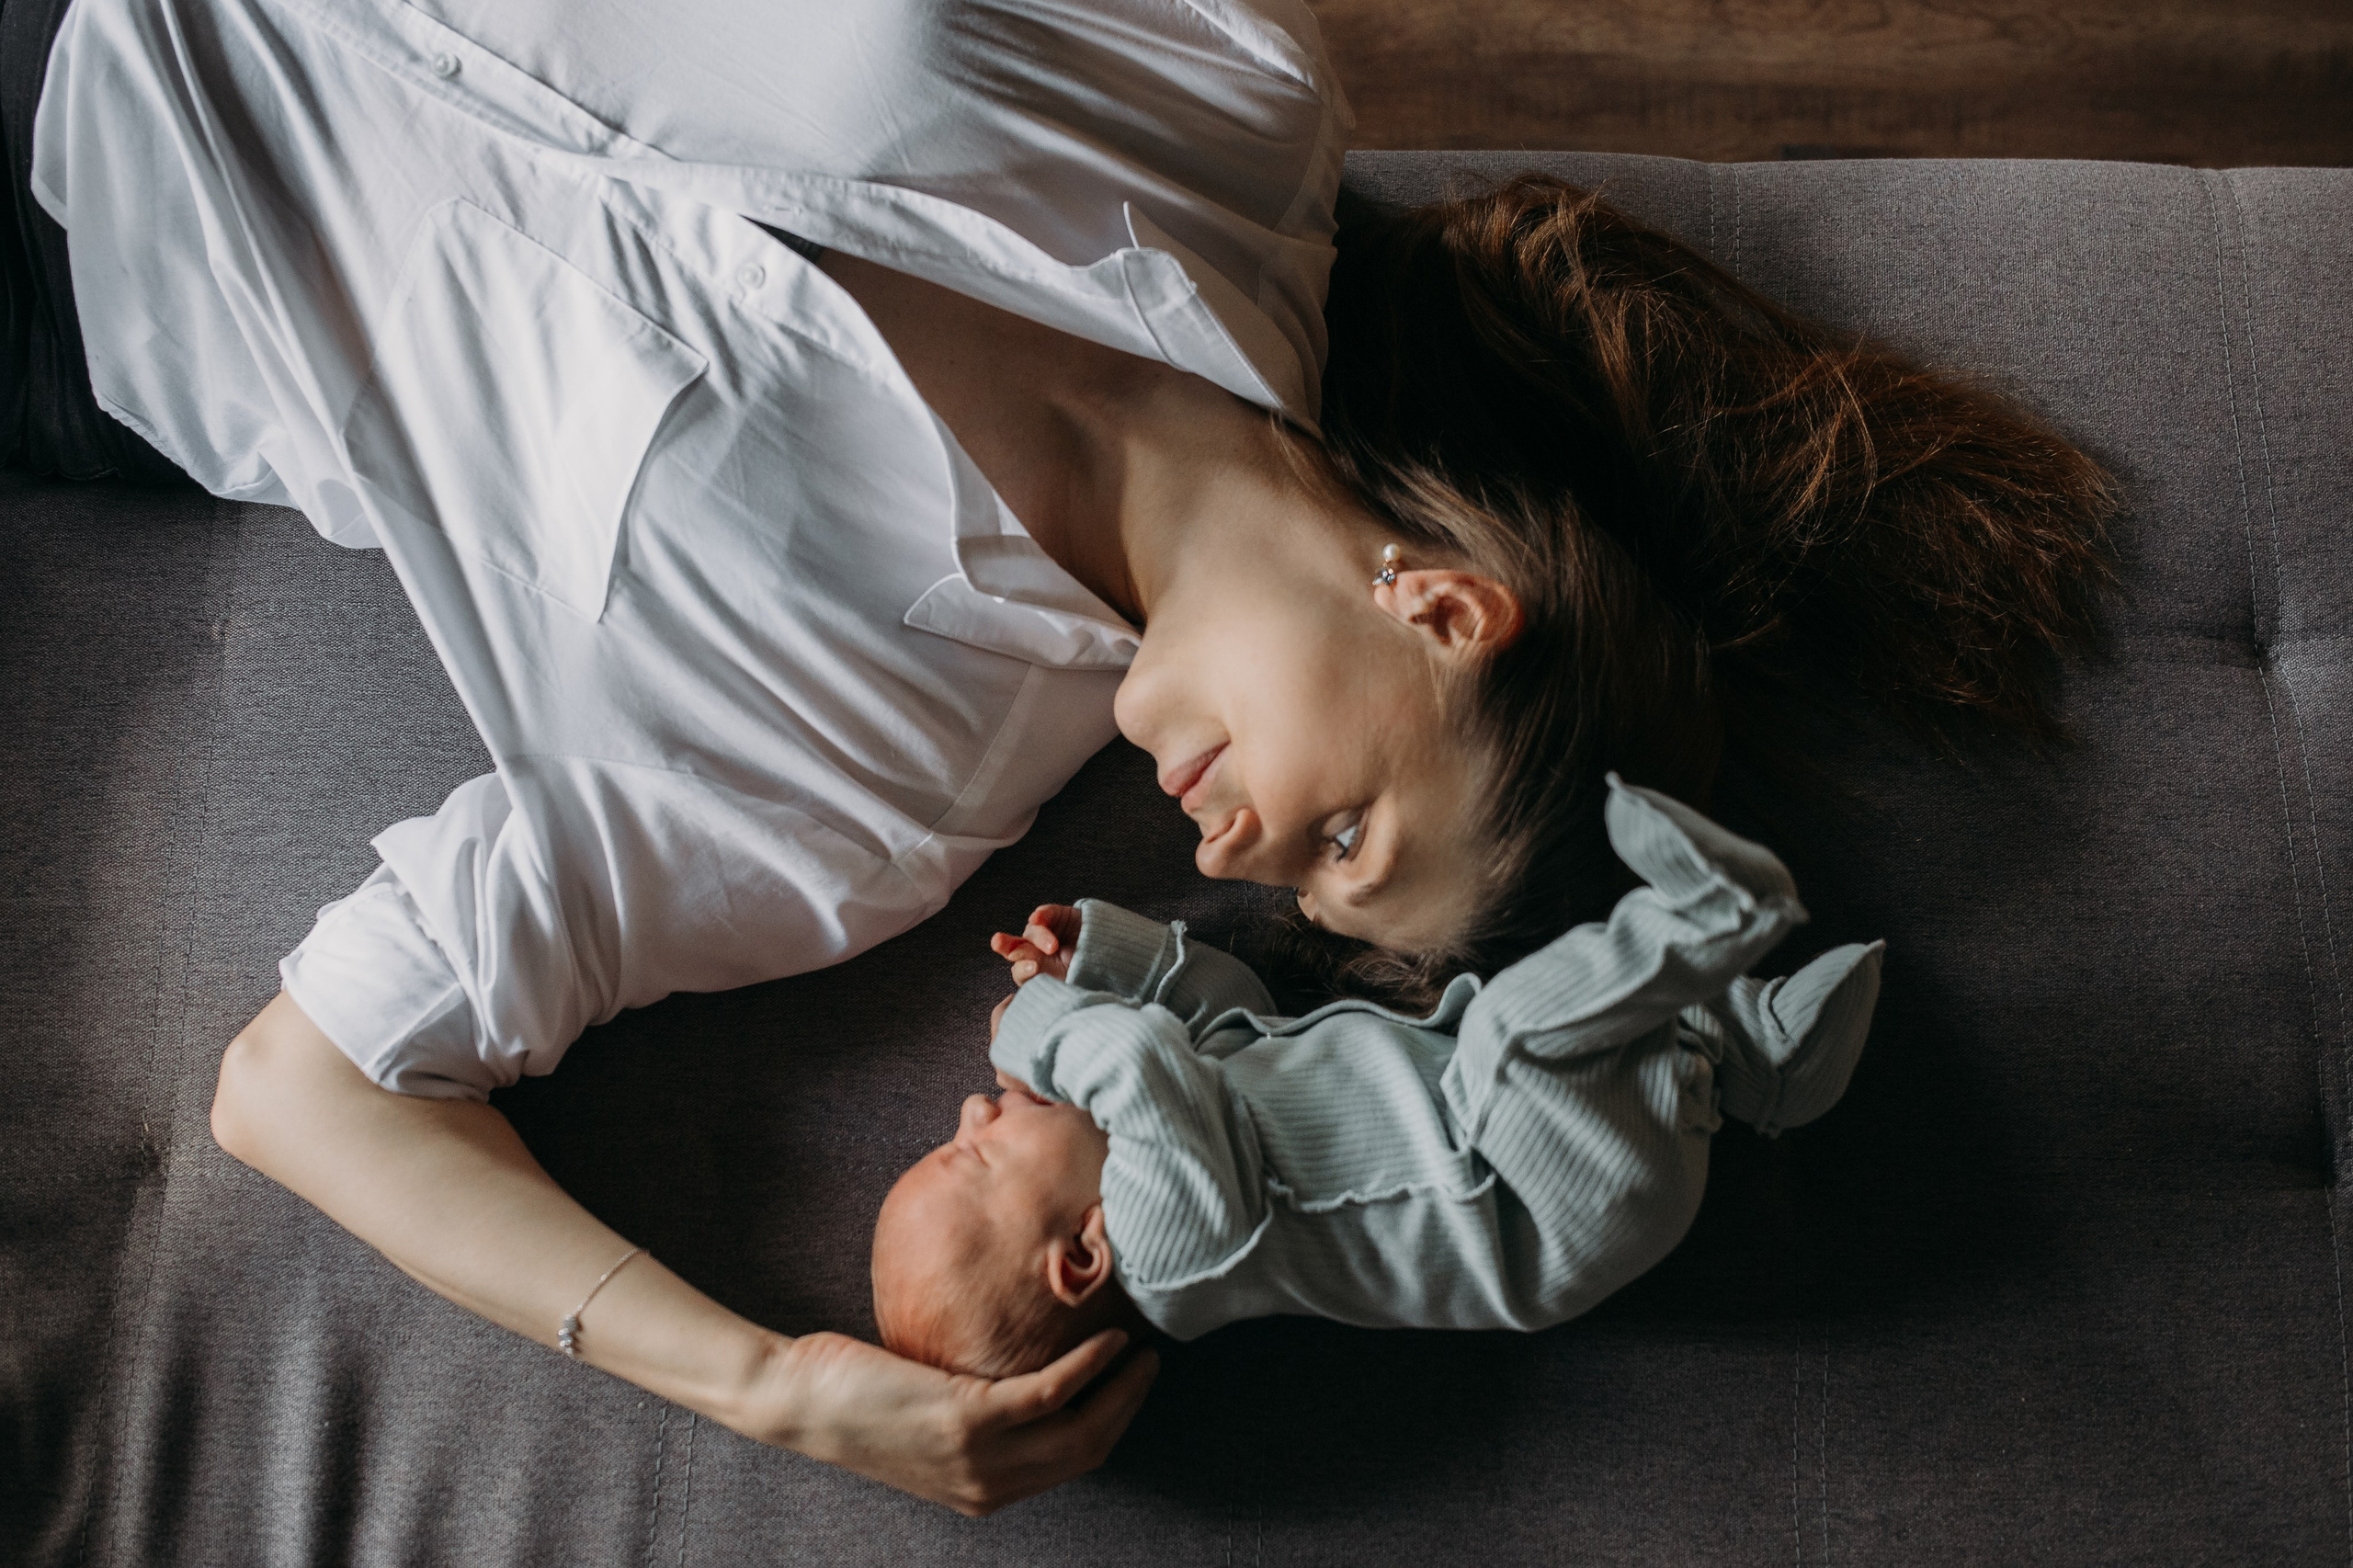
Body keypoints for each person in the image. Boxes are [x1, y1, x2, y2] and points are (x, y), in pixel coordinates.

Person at [23, 0, 2113, 1521]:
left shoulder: (868, 792)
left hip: (67, 204)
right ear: (1442, 607)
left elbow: (302, 1082)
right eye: (1356, 831)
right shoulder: (1223, 96)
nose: (1249, 855)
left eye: (1303, 897)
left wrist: (765, 1385)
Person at [870, 777, 1882, 1376]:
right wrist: (1038, 1024)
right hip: (1538, 1200)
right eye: (970, 1155)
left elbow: (1234, 1007)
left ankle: (1762, 1060)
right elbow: (1138, 1057)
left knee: (1529, 1018)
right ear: (1081, 1255)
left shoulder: (1204, 1123)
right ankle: (1708, 920)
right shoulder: (1174, 1256)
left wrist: (1106, 957)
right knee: (1515, 1032)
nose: (968, 1107)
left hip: (1535, 1134)